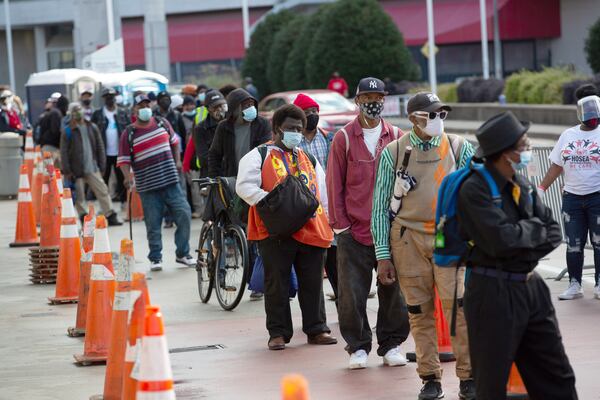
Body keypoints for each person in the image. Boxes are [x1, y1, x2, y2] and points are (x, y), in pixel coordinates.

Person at [457, 111, 577, 399]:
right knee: (492, 382)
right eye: (523, 145)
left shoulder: (521, 183)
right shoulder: (474, 190)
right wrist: (529, 231)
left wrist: (521, 232)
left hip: (531, 287)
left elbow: (553, 232)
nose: (527, 150)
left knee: (557, 376)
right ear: (504, 152)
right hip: (492, 292)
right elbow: (502, 242)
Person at [371, 92, 475, 399]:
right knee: (419, 312)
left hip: (449, 239)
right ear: (414, 118)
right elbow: (379, 207)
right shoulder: (394, 152)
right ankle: (430, 379)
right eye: (431, 115)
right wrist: (382, 255)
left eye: (441, 114)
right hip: (407, 239)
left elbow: (478, 193)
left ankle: (468, 377)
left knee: (459, 309)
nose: (438, 120)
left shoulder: (459, 146)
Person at [236, 104, 337, 350]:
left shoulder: (309, 158)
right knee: (276, 284)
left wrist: (327, 222)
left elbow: (321, 193)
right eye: (291, 128)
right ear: (277, 129)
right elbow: (244, 186)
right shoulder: (258, 156)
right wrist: (274, 204)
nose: (296, 133)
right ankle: (278, 333)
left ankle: (316, 329)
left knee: (313, 283)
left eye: (299, 129)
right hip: (275, 232)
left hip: (311, 230)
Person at [326, 77, 409, 369]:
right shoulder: (344, 138)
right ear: (357, 101)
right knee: (351, 293)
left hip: (391, 230)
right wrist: (341, 226)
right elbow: (334, 183)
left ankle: (391, 344)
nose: (372, 103)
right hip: (354, 230)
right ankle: (358, 346)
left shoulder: (398, 136)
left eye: (378, 97)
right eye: (367, 97)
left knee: (393, 291)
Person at [117, 94, 196, 271]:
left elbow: (175, 142)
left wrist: (177, 160)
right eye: (140, 105)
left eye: (146, 104)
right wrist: (127, 176)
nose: (144, 107)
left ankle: (183, 253)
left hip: (171, 181)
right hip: (148, 186)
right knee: (153, 224)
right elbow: (123, 159)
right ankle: (155, 257)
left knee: (184, 214)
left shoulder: (162, 123)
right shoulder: (129, 133)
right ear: (134, 110)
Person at [539, 84, 600, 299]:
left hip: (597, 196)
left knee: (599, 241)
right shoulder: (568, 135)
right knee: (573, 244)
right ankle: (575, 284)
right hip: (572, 198)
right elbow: (556, 165)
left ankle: (599, 284)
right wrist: (541, 187)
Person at [293, 93, 339, 301]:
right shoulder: (293, 143)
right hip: (303, 209)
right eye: (306, 112)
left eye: (314, 112)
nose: (312, 116)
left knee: (336, 260)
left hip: (329, 207)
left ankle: (342, 302)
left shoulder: (329, 138)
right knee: (310, 265)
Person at [60, 103, 122, 226]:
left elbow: (100, 146)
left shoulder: (92, 127)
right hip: (75, 170)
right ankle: (83, 217)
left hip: (92, 167)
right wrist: (67, 170)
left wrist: (102, 164)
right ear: (70, 114)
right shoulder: (67, 131)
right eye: (75, 111)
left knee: (102, 190)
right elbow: (64, 152)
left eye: (79, 110)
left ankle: (110, 214)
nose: (77, 113)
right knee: (79, 196)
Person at [182, 90, 228, 217]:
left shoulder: (231, 123)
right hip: (211, 176)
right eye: (216, 107)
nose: (220, 109)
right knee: (214, 215)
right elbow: (203, 157)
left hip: (231, 175)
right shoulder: (200, 128)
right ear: (208, 109)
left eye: (222, 105)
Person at [207, 88, 271, 178]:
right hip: (233, 179)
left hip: (258, 178)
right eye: (246, 105)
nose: (251, 108)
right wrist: (215, 178)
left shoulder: (262, 124)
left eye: (252, 104)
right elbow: (214, 154)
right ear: (235, 109)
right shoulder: (224, 127)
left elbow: (267, 151)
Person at [91, 88, 130, 203]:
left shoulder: (122, 113)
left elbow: (128, 131)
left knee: (122, 178)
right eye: (107, 97)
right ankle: (104, 204)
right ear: (103, 99)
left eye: (112, 96)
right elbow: (93, 134)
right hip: (104, 154)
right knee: (103, 179)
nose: (110, 99)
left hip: (120, 153)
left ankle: (124, 202)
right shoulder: (98, 114)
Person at [39, 94, 68, 167]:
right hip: (51, 148)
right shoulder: (56, 114)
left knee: (52, 173)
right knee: (50, 172)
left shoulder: (52, 112)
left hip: (47, 146)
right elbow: (55, 131)